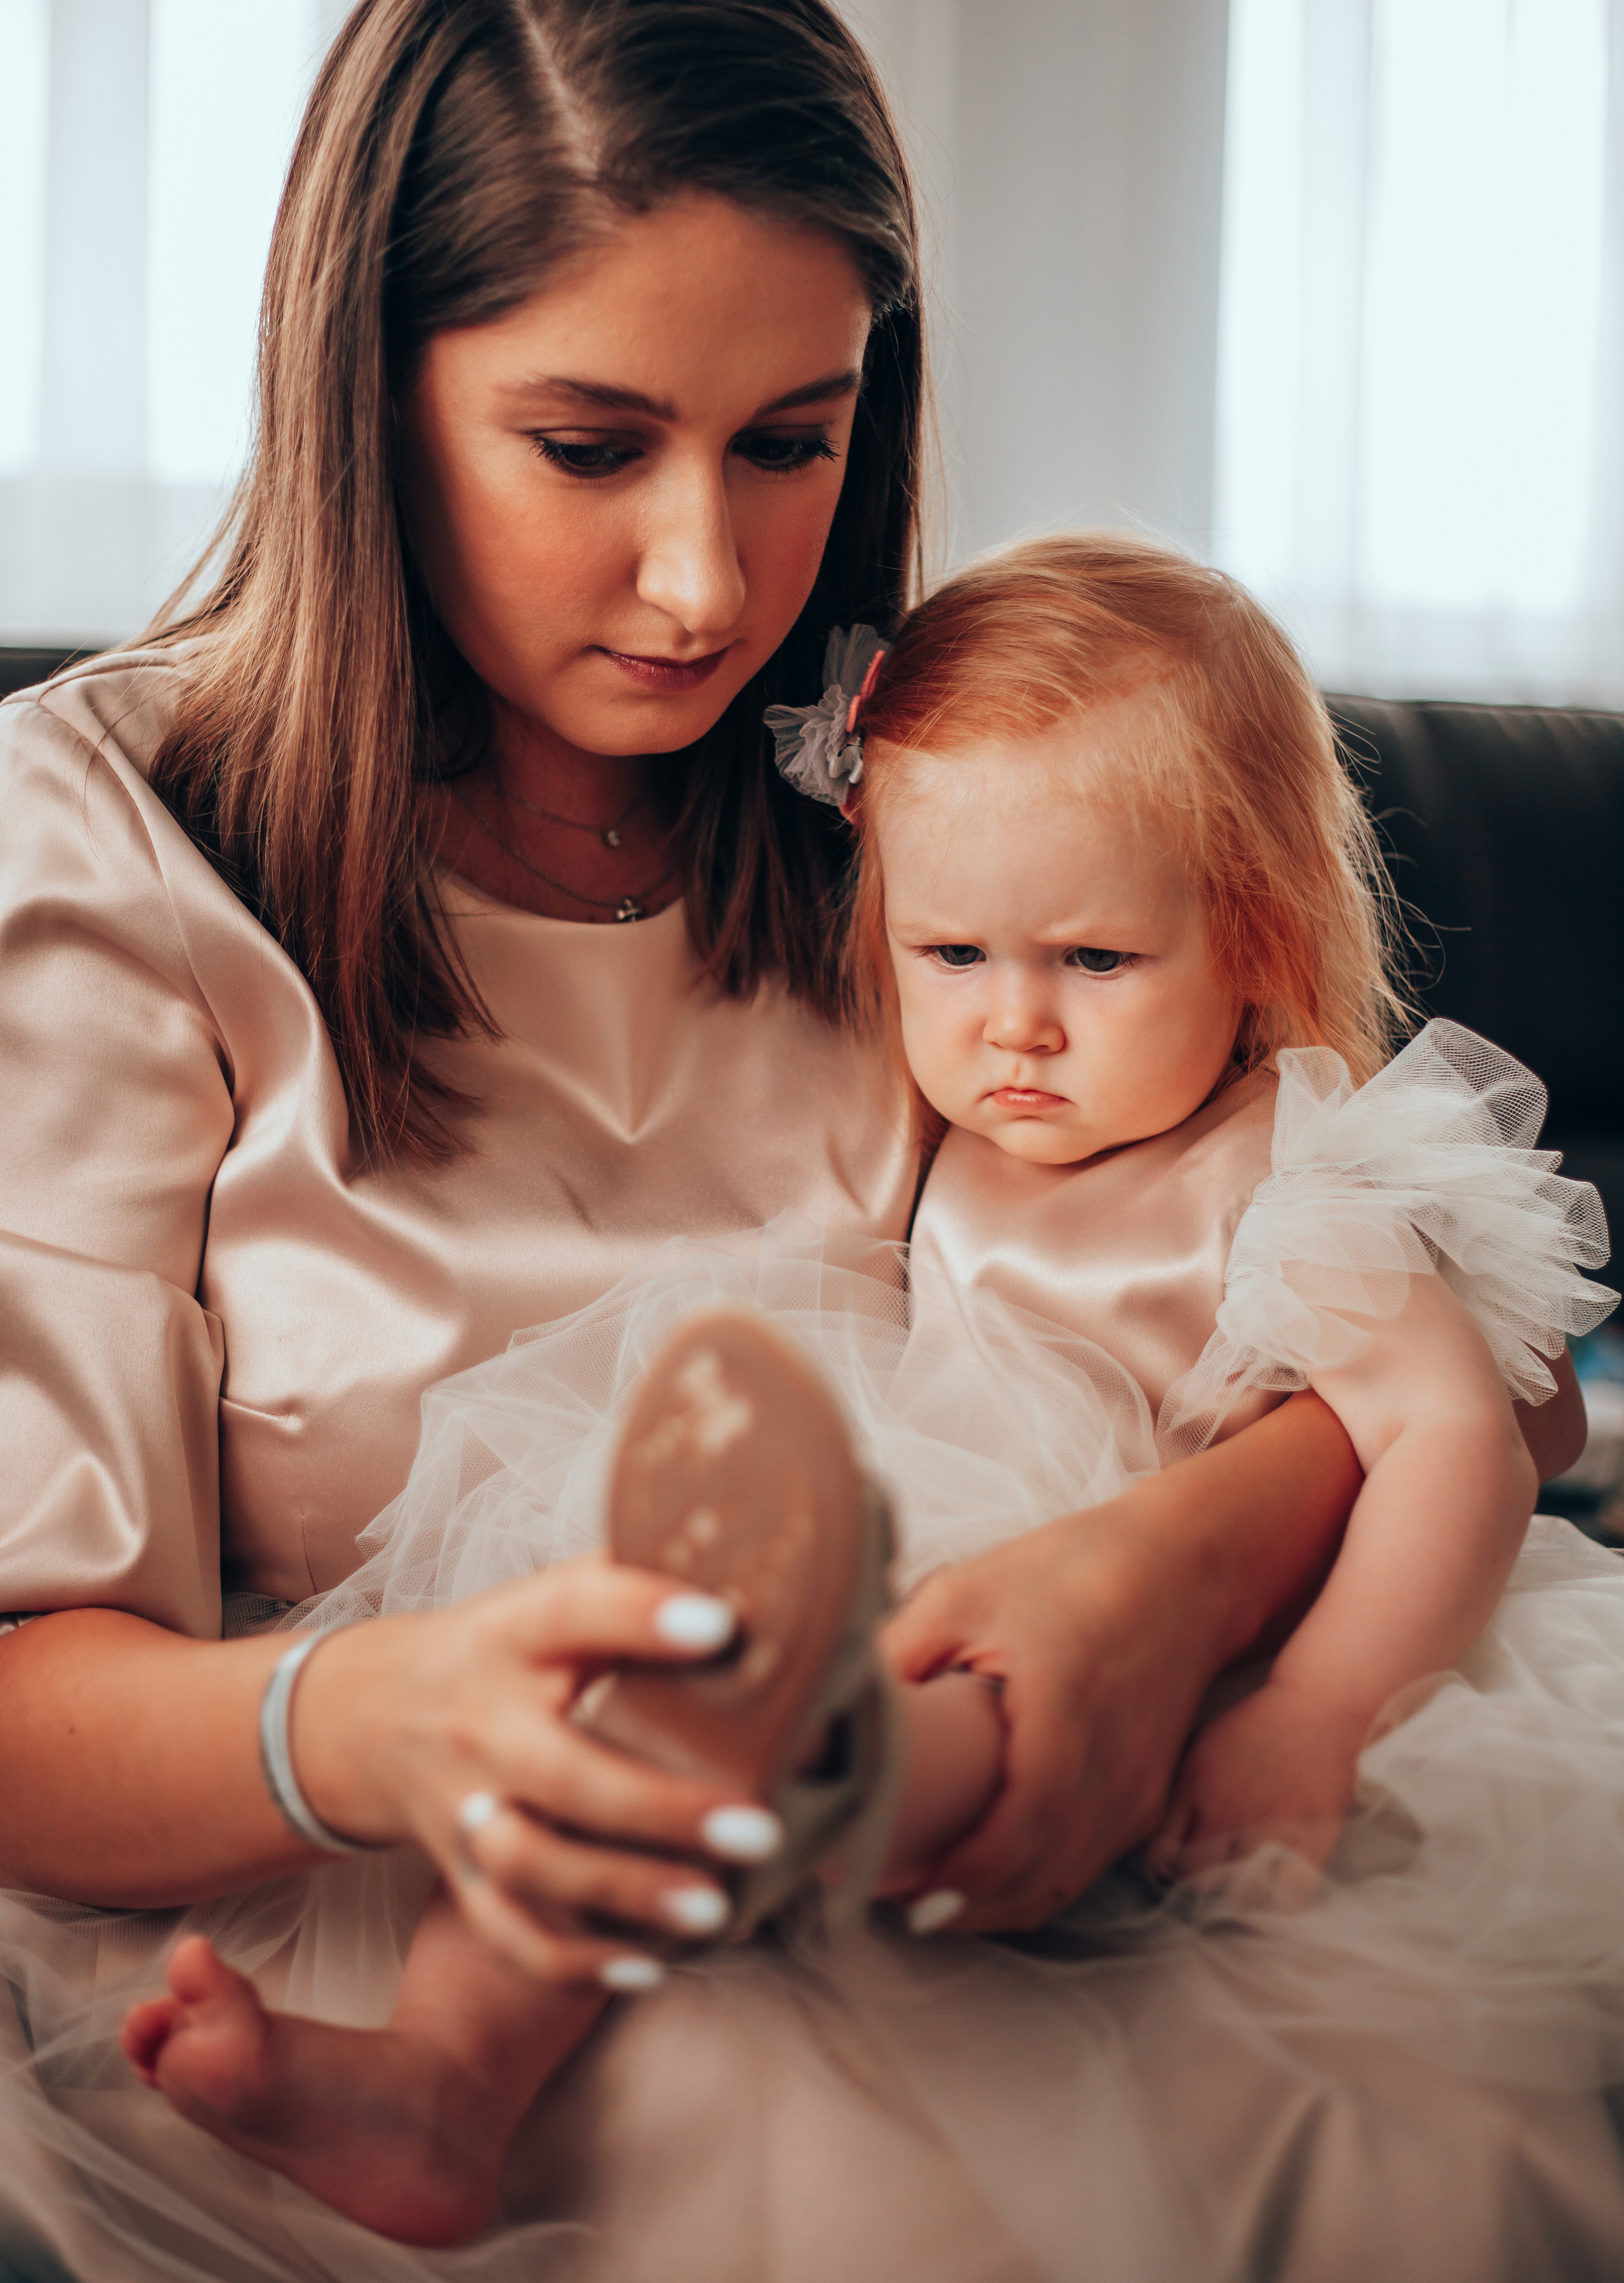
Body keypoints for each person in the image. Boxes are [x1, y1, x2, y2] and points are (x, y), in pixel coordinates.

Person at [0, 0, 1391, 2283]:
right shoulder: (101, 842)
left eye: (790, 446)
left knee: (1392, 2134)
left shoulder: (933, 806)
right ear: (367, 396)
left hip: (937, 1824)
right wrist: (390, 1720)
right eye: (587, 443)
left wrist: (1160, 1581)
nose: (699, 581)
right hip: (356, 1916)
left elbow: (1424, 1329)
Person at [114, 537, 1624, 2280]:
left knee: (913, 1702)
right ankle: (448, 2072)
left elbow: (1467, 1439)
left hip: (1144, 1654)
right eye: (954, 952)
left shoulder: (1287, 1174)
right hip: (909, 1560)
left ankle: (840, 1765)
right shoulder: (944, 1139)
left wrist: (1324, 1712)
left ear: (1259, 933)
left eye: (1098, 961)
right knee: (616, 1700)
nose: (1016, 1030)